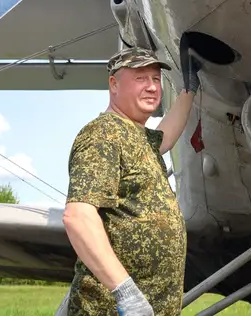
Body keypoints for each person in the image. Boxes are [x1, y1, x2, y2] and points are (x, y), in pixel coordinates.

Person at [57, 46, 198, 316]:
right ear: (114, 84)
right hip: (111, 309)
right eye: (140, 78)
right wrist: (126, 294)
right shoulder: (103, 133)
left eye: (156, 79)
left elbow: (165, 137)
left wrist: (189, 91)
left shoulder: (138, 136)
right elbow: (78, 217)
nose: (152, 87)